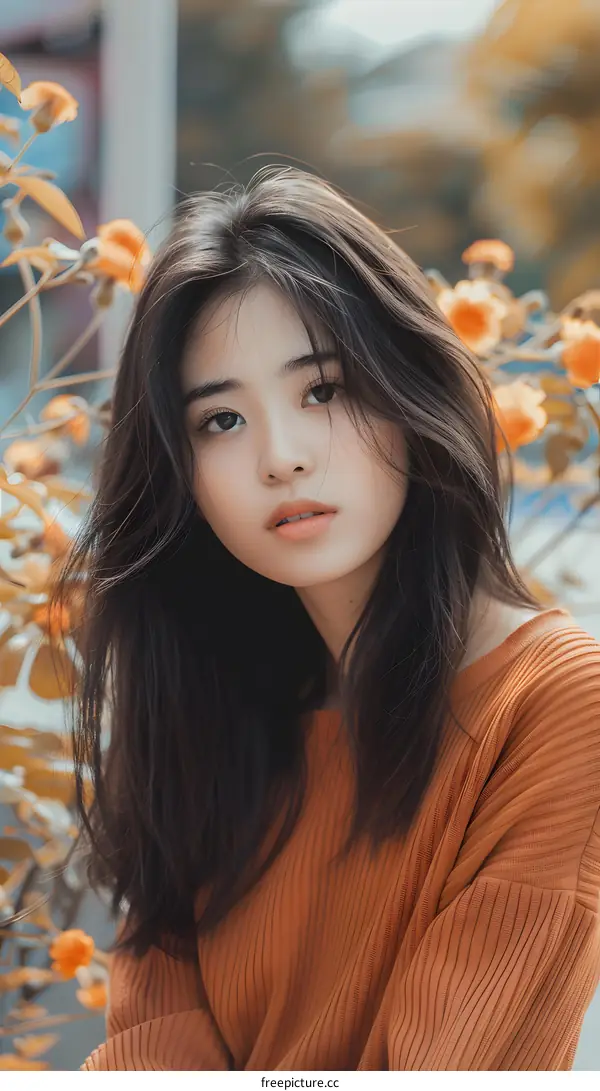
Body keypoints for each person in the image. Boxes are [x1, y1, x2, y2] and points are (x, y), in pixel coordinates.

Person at [61, 166, 600, 1071]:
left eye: (323, 390)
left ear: (410, 391)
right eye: (221, 420)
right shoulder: (207, 713)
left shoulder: (553, 703)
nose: (281, 458)